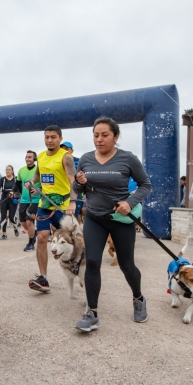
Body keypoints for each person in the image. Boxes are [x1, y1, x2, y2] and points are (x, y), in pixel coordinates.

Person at [72, 117, 152, 331]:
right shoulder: (86, 159)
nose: (99, 139)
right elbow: (78, 190)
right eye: (96, 135)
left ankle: (138, 299)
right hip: (94, 218)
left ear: (115, 137)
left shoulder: (128, 158)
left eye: (104, 135)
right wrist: (78, 183)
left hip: (120, 220)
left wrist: (130, 202)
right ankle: (92, 313)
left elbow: (145, 185)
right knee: (94, 262)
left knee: (126, 265)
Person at [27, 125, 77, 292]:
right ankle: (43, 279)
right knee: (41, 238)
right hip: (45, 205)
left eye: (53, 137)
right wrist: (32, 183)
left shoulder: (66, 157)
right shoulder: (40, 156)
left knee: (72, 242)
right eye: (47, 137)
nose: (49, 140)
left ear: (60, 139)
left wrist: (72, 202)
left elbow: (74, 181)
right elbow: (38, 174)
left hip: (62, 207)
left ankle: (77, 270)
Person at [17, 150, 41, 251]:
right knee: (23, 222)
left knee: (29, 221)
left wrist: (39, 190)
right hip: (23, 200)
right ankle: (34, 233)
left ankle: (31, 243)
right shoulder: (21, 170)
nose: (28, 159)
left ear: (34, 159)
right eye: (26, 157)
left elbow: (45, 184)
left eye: (30, 157)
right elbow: (17, 184)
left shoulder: (38, 170)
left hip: (35, 200)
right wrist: (14, 193)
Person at [0, 165, 20, 239]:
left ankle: (15, 228)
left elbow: (19, 190)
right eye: (6, 170)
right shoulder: (2, 179)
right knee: (3, 217)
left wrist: (15, 195)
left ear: (12, 171)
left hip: (13, 199)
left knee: (11, 217)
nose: (7, 171)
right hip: (4, 198)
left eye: (9, 170)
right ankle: (4, 234)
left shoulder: (16, 179)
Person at [61, 141, 84, 219]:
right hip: (61, 192)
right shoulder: (58, 160)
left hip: (75, 191)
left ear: (72, 150)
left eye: (67, 148)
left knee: (74, 217)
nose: (64, 150)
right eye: (62, 148)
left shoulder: (79, 160)